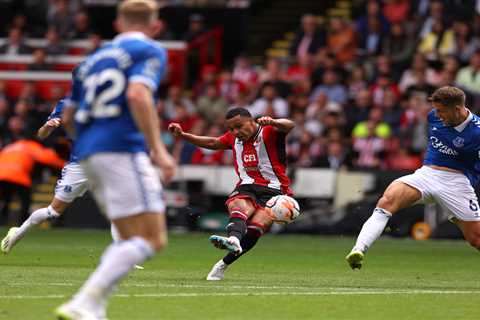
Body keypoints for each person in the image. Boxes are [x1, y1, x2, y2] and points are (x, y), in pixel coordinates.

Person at [55, 1, 176, 319]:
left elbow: (69, 114)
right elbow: (138, 94)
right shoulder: (150, 50)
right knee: (152, 238)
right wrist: (159, 151)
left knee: (126, 237)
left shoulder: (92, 60)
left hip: (88, 151)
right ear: (155, 25)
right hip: (122, 148)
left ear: (118, 23)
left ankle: (93, 307)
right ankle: (84, 300)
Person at [346, 86, 480, 269]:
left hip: (456, 182)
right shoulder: (433, 117)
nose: (438, 115)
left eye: (442, 111)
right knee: (387, 201)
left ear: (457, 109)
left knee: (475, 239)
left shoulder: (477, 132)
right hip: (426, 175)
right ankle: (358, 250)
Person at [168, 107, 295, 281]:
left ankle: (223, 264)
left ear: (251, 121)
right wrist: (183, 135)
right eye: (231, 129)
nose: (235, 132)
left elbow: (289, 125)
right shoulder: (233, 139)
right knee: (239, 206)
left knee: (255, 229)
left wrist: (273, 121)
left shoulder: (269, 131)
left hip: (275, 191)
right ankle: (234, 240)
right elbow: (212, 143)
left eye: (238, 126)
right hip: (247, 186)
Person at [1, 98, 135, 260]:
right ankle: (17, 233)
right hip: (79, 166)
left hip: (103, 162)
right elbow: (41, 135)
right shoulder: (66, 104)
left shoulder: (105, 99)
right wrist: (47, 127)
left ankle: (122, 256)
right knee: (53, 212)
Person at [0, 139, 65, 226]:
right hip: (18, 175)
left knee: (5, 199)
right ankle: (22, 224)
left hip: (1, 175)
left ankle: (2, 222)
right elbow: (46, 157)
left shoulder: (10, 146)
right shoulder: (31, 146)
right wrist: (65, 164)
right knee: (25, 201)